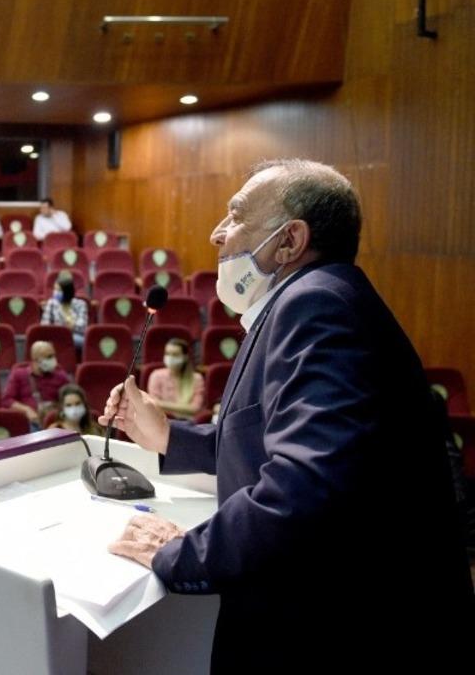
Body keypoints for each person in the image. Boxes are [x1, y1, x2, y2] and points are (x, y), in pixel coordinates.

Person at [98, 159, 474, 670]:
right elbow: (273, 438)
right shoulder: (315, 299)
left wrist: (181, 553)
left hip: (334, 632)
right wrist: (166, 436)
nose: (216, 233)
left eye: (235, 217)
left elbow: (308, 485)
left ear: (289, 241)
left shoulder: (317, 306)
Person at [2, 340, 70, 427]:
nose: (54, 360)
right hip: (29, 422)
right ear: (36, 359)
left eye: (54, 356)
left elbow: (71, 397)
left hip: (55, 421)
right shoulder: (18, 374)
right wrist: (26, 410)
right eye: (49, 357)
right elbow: (7, 400)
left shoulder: (60, 375)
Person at [145, 338, 205, 419]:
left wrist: (163, 405)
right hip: (161, 421)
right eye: (167, 354)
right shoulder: (156, 375)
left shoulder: (197, 378)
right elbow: (154, 404)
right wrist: (184, 409)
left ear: (185, 357)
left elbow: (195, 408)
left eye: (175, 354)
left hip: (187, 424)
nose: (170, 357)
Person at [41, 272, 89, 350]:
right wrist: (66, 327)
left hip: (75, 337)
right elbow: (44, 326)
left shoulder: (81, 304)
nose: (55, 292)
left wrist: (72, 326)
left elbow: (83, 327)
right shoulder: (51, 303)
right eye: (54, 289)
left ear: (67, 292)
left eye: (59, 290)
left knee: (81, 341)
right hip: (56, 336)